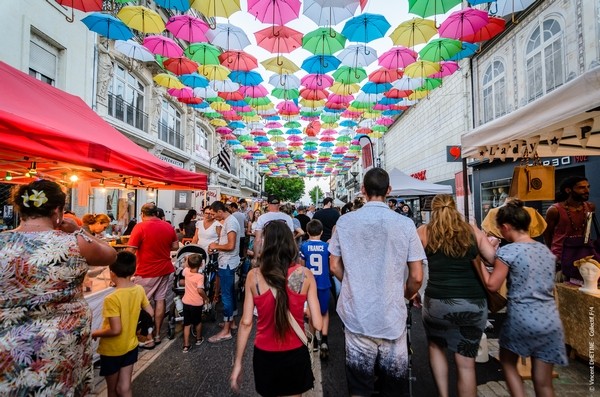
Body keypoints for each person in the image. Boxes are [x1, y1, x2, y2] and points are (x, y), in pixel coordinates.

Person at [0, 180, 116, 395]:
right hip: (62, 345)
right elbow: (110, 255)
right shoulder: (73, 242)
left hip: (10, 345)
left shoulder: (3, 241)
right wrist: (79, 230)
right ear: (57, 211)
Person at [329, 168, 425, 396]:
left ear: (362, 190)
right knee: (393, 386)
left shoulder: (345, 222)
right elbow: (417, 276)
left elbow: (334, 265)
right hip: (392, 316)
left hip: (357, 315)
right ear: (389, 190)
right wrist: (407, 293)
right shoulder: (405, 224)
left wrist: (354, 282)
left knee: (360, 386)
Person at [477, 199, 568, 397]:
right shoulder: (546, 251)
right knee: (544, 383)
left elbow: (493, 284)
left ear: (506, 227)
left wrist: (479, 264)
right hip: (550, 320)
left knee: (508, 362)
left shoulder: (508, 251)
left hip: (522, 317)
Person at [416, 194, 496, 397]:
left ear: (432, 210)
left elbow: (413, 268)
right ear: (454, 207)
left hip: (437, 301)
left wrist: (411, 293)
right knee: (466, 364)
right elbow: (493, 260)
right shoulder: (471, 230)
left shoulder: (424, 231)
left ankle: (443, 394)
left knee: (436, 346)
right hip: (473, 302)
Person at [230, 221, 323, 396]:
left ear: (266, 244)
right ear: (290, 243)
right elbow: (317, 323)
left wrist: (238, 363)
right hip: (295, 352)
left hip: (265, 354)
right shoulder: (304, 275)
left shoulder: (254, 276)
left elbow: (246, 322)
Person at [92, 251, 153, 397]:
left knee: (112, 390)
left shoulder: (111, 298)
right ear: (134, 269)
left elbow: (115, 330)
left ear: (111, 273)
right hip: (131, 345)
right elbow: (150, 311)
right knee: (125, 387)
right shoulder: (138, 289)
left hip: (112, 350)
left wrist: (94, 333)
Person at [127, 203, 179, 348]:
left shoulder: (140, 226)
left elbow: (130, 250)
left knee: (143, 303)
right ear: (156, 213)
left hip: (146, 271)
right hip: (165, 268)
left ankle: (147, 337)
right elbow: (175, 246)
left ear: (142, 214)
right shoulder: (168, 226)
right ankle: (156, 335)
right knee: (160, 300)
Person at [544, 176, 596, 283]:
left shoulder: (590, 207)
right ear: (568, 190)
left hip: (583, 255)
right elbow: (547, 234)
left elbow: (587, 231)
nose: (587, 190)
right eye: (581, 187)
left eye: (588, 187)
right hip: (560, 257)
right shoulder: (554, 210)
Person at [207, 200, 241, 343]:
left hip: (227, 262)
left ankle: (226, 330)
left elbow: (231, 245)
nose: (213, 217)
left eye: (214, 214)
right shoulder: (228, 222)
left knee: (226, 296)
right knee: (230, 293)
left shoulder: (231, 222)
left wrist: (216, 246)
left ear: (220, 211)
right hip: (227, 262)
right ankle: (231, 322)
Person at [299, 219, 332, 360]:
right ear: (322, 232)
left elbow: (302, 268)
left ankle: (314, 343)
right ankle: (324, 339)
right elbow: (331, 266)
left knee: (312, 312)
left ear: (307, 232)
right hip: (324, 283)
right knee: (324, 312)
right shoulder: (327, 246)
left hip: (309, 285)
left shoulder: (304, 247)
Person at [181, 253, 209, 352]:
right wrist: (206, 298)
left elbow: (185, 266)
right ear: (201, 264)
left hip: (186, 302)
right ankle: (198, 338)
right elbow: (200, 290)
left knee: (187, 324)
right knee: (197, 322)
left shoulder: (186, 271)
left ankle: (186, 345)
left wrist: (186, 259)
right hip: (196, 303)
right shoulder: (200, 277)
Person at [253, 194, 294, 259]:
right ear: (279, 204)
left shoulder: (262, 218)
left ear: (268, 203)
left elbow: (258, 240)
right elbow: (291, 238)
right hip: (284, 253)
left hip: (267, 253)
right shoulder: (287, 218)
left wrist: (255, 258)